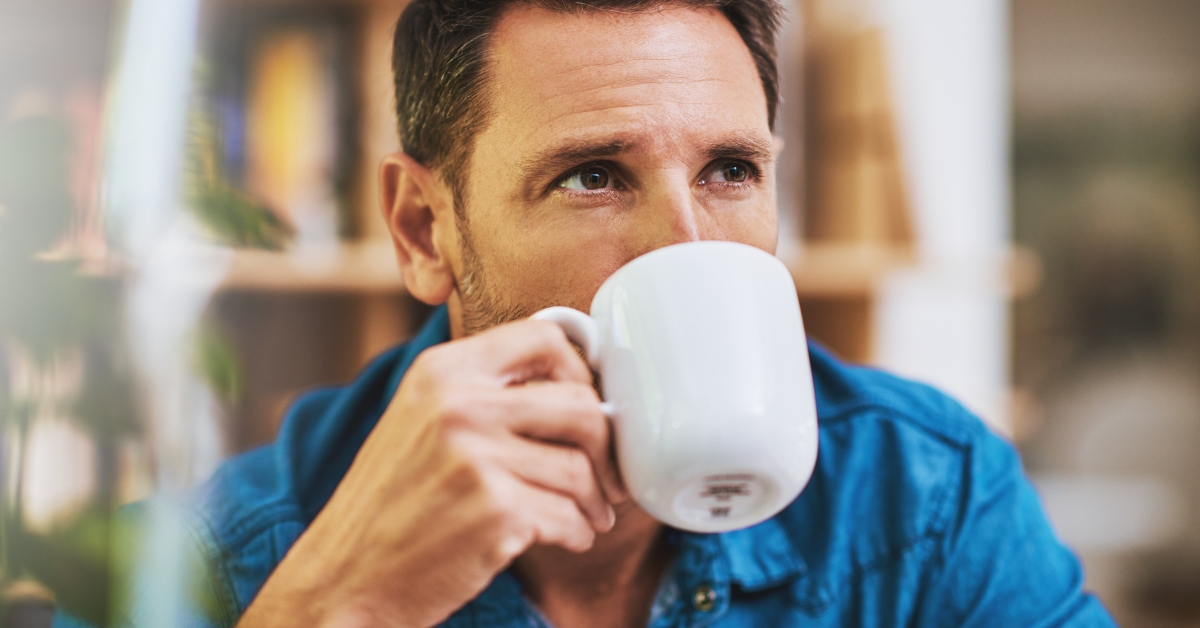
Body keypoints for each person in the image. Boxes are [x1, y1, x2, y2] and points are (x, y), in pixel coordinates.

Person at [56, 1, 1116, 626]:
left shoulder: (925, 494)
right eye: (595, 176)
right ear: (425, 231)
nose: (691, 245)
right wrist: (342, 607)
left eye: (733, 168)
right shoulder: (214, 557)